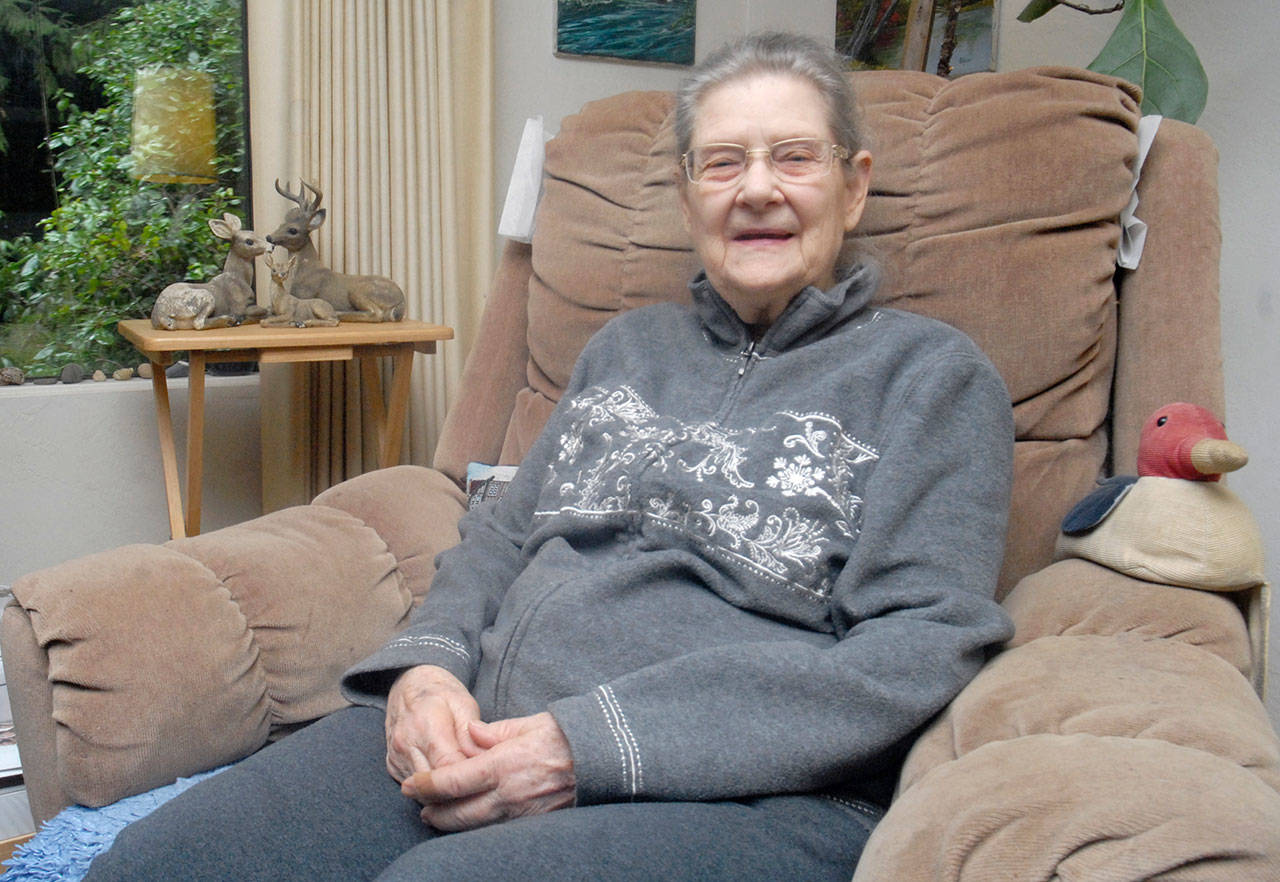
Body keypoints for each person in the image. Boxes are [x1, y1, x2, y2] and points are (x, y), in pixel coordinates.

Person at [86, 31, 1014, 881]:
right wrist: (428, 670)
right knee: (161, 862)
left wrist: (588, 746)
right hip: (483, 725)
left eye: (794, 157)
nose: (757, 189)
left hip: (742, 792)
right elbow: (499, 537)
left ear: (853, 186)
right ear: (690, 194)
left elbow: (919, 644)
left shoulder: (930, 378)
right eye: (723, 162)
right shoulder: (626, 351)